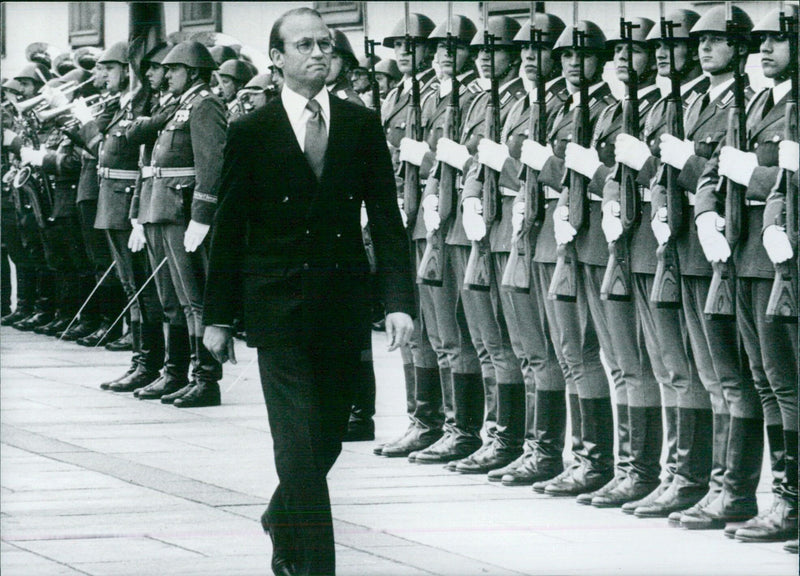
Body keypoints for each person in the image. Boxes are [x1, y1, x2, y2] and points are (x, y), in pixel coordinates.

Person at [203, 9, 414, 575]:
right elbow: (229, 227)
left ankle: (280, 514)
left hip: (342, 302)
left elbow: (388, 220)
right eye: (304, 45)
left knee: (327, 439)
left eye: (325, 43)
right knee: (296, 443)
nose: (319, 53)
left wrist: (398, 301)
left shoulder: (360, 123)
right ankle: (314, 566)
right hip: (276, 304)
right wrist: (217, 317)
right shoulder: (252, 130)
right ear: (276, 57)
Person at [700, 4, 797, 542]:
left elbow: (784, 178)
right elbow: (716, 165)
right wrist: (706, 210)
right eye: (759, 40)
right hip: (745, 253)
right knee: (764, 381)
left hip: (782, 253)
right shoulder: (757, 99)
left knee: (786, 384)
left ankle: (791, 500)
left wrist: (754, 176)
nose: (764, 49)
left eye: (777, 41)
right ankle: (780, 496)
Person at [149, 41, 227, 408]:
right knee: (182, 299)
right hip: (167, 205)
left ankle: (207, 379)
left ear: (192, 71)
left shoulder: (205, 104)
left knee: (197, 300)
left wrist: (202, 215)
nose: (167, 76)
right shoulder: (181, 105)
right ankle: (189, 372)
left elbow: (211, 162)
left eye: (174, 69)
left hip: (185, 208)